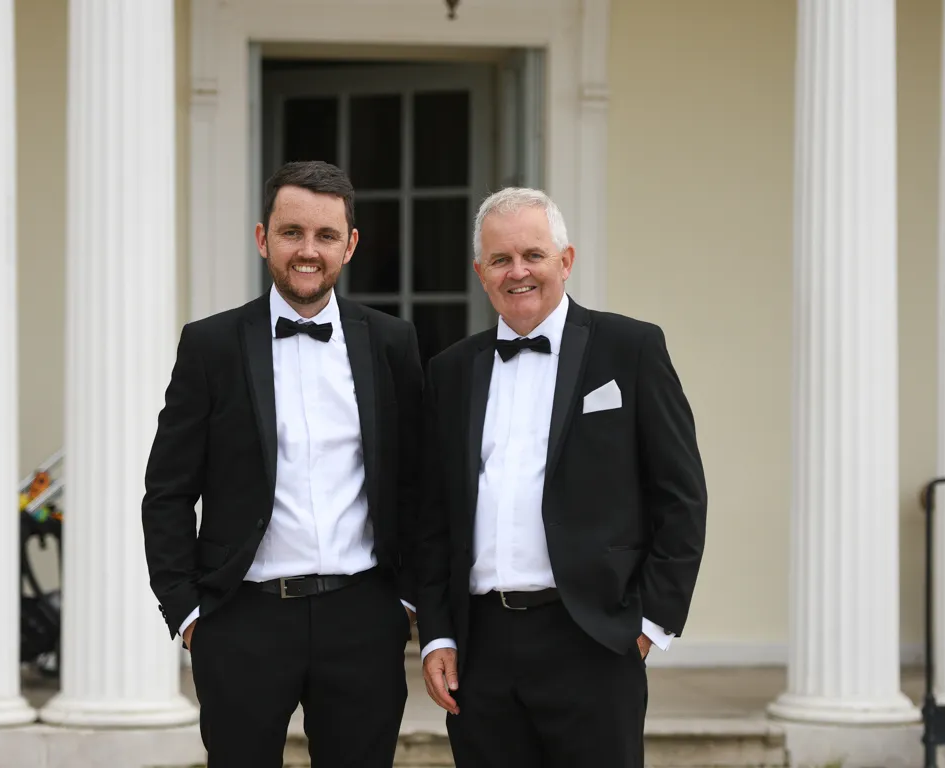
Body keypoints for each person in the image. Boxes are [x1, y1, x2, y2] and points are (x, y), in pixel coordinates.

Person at [142, 160, 423, 768]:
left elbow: (416, 483)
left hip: (363, 619)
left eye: (325, 236)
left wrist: (406, 603)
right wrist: (189, 614)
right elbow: (166, 489)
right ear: (262, 237)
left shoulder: (392, 343)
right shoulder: (210, 346)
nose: (307, 251)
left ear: (349, 245)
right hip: (242, 619)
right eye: (292, 232)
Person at [415, 187, 707, 767]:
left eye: (533, 255)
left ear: (565, 261)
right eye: (500, 259)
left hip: (593, 639)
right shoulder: (449, 372)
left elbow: (681, 496)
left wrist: (647, 625)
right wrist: (438, 634)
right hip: (482, 649)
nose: (517, 271)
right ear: (481, 272)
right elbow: (431, 516)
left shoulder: (631, 348)